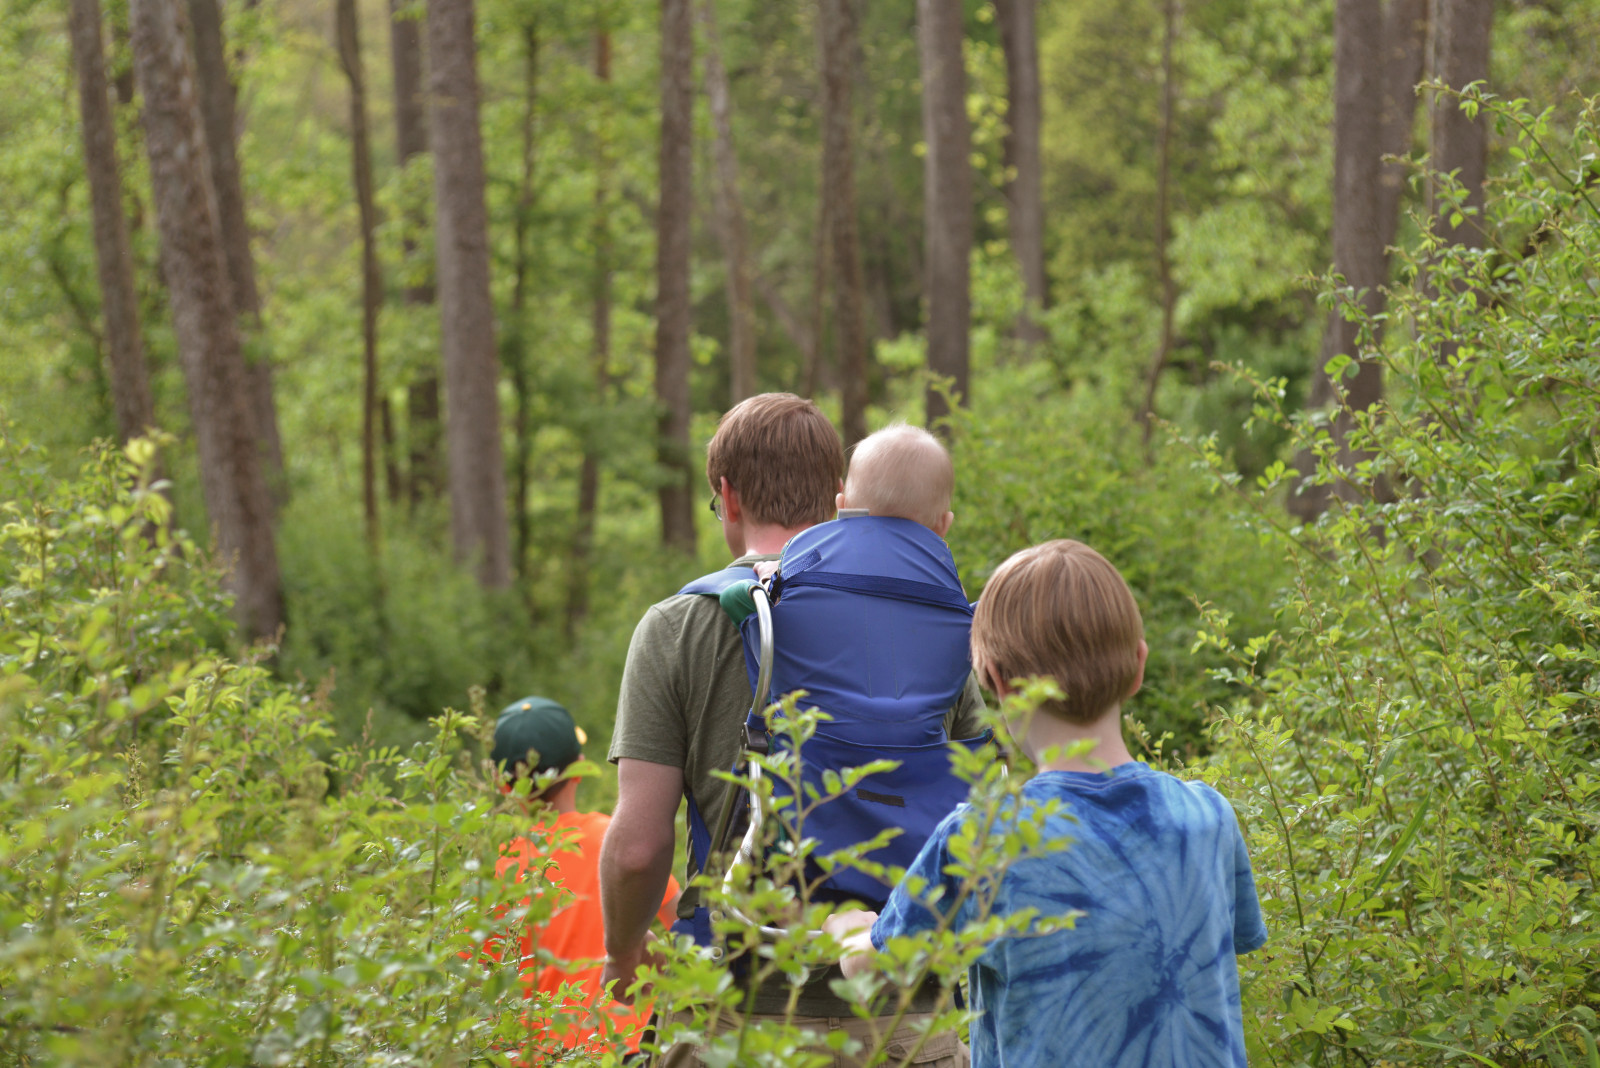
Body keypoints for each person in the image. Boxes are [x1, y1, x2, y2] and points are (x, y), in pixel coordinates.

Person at [600, 393, 986, 1068]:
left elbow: (637, 849)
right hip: (902, 1016)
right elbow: (976, 803)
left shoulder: (678, 626)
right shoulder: (933, 622)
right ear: (839, 498)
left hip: (734, 1014)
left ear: (727, 495)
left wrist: (622, 951)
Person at [826, 540, 1269, 1068]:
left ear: (996, 681)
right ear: (1138, 668)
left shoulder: (984, 838)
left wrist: (849, 929)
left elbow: (873, 973)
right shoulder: (1208, 817)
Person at [481, 696, 679, 1061]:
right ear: (580, 768)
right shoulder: (614, 844)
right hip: (624, 1051)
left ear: (500, 782)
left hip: (533, 1055)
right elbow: (684, 925)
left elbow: (476, 991)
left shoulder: (494, 871)